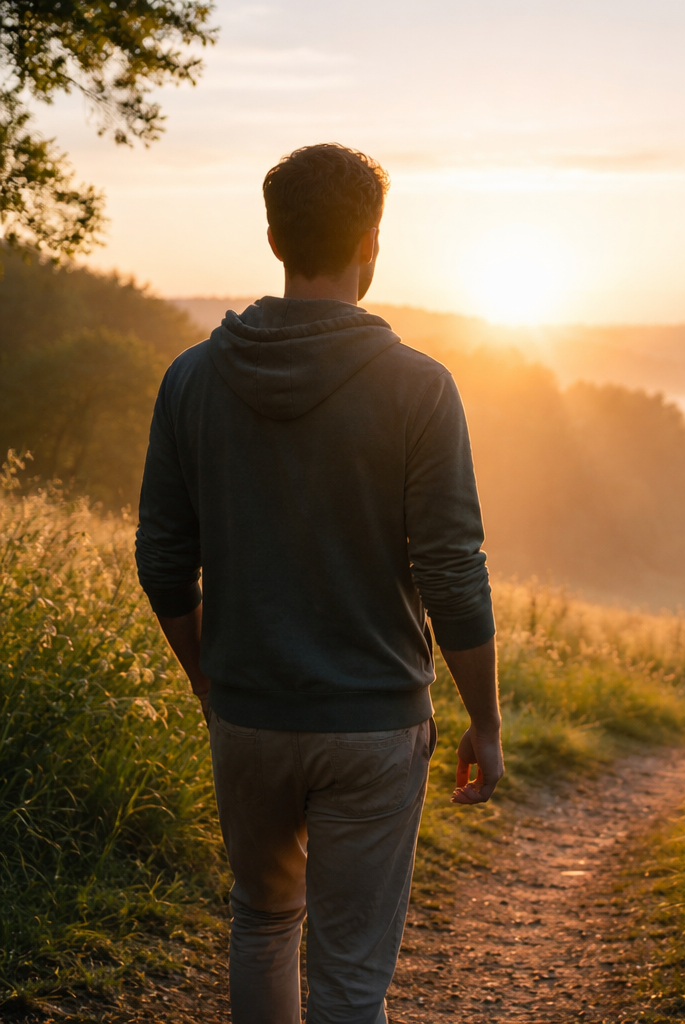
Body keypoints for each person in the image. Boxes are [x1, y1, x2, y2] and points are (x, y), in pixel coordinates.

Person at [135, 142, 504, 1024]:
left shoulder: (191, 378)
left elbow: (160, 557)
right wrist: (484, 719)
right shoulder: (421, 388)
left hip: (249, 713)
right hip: (373, 724)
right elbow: (450, 569)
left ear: (273, 239)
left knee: (262, 926)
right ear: (371, 245)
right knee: (349, 980)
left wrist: (205, 676)